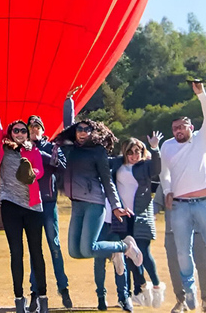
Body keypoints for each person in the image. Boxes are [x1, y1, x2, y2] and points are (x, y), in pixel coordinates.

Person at [159, 81, 206, 310]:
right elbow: (164, 173)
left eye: (182, 127)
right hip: (180, 206)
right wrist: (167, 191)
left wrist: (201, 94)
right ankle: (189, 290)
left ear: (190, 127)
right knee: (182, 250)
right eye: (175, 129)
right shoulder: (167, 146)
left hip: (204, 203)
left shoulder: (202, 139)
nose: (178, 131)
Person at [54, 86, 143, 272]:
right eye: (80, 129)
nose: (83, 132)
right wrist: (68, 101)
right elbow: (68, 124)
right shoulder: (71, 148)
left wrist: (116, 205)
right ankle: (114, 252)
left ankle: (124, 246)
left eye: (87, 129)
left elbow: (107, 181)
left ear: (93, 133)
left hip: (94, 203)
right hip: (77, 204)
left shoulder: (98, 152)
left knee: (89, 247)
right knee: (75, 252)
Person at [0, 83, 49, 313]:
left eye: (24, 130)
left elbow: (40, 170)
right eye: (17, 130)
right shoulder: (3, 147)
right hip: (11, 204)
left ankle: (42, 298)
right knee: (17, 253)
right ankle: (19, 299)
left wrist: (32, 174)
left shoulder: (33, 150)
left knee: (37, 252)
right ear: (11, 133)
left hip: (33, 206)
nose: (21, 133)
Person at [110, 136, 166, 308]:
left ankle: (157, 286)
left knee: (143, 251)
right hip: (123, 216)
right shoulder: (117, 164)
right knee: (128, 255)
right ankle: (140, 289)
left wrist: (155, 149)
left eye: (138, 152)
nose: (134, 155)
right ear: (124, 152)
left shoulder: (145, 166)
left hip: (141, 215)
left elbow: (157, 168)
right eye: (131, 152)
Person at [26, 114, 72, 310]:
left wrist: (38, 154)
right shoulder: (23, 148)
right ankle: (35, 292)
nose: (34, 130)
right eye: (31, 127)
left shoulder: (52, 147)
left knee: (54, 246)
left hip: (49, 202)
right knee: (34, 249)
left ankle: (63, 288)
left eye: (38, 127)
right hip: (30, 203)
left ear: (43, 130)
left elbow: (61, 166)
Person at [154, 192, 206, 313]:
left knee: (204, 266)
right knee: (175, 267)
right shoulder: (167, 180)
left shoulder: (198, 178)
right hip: (173, 232)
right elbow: (157, 203)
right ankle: (181, 301)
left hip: (199, 231)